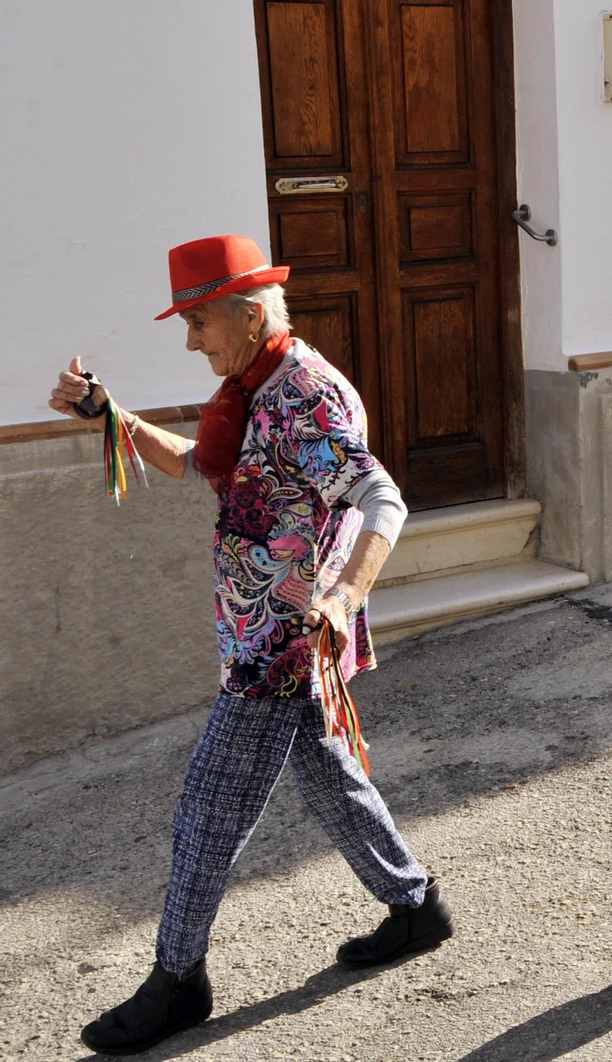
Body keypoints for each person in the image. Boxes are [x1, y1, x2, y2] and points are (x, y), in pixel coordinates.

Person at [53, 235, 453, 1055]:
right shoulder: (250, 385)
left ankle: (178, 979)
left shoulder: (303, 396)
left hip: (282, 644)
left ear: (245, 314)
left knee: (206, 809)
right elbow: (191, 466)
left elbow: (383, 497)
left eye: (198, 323)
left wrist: (344, 595)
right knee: (331, 781)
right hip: (255, 627)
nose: (191, 341)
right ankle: (416, 910)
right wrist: (108, 413)